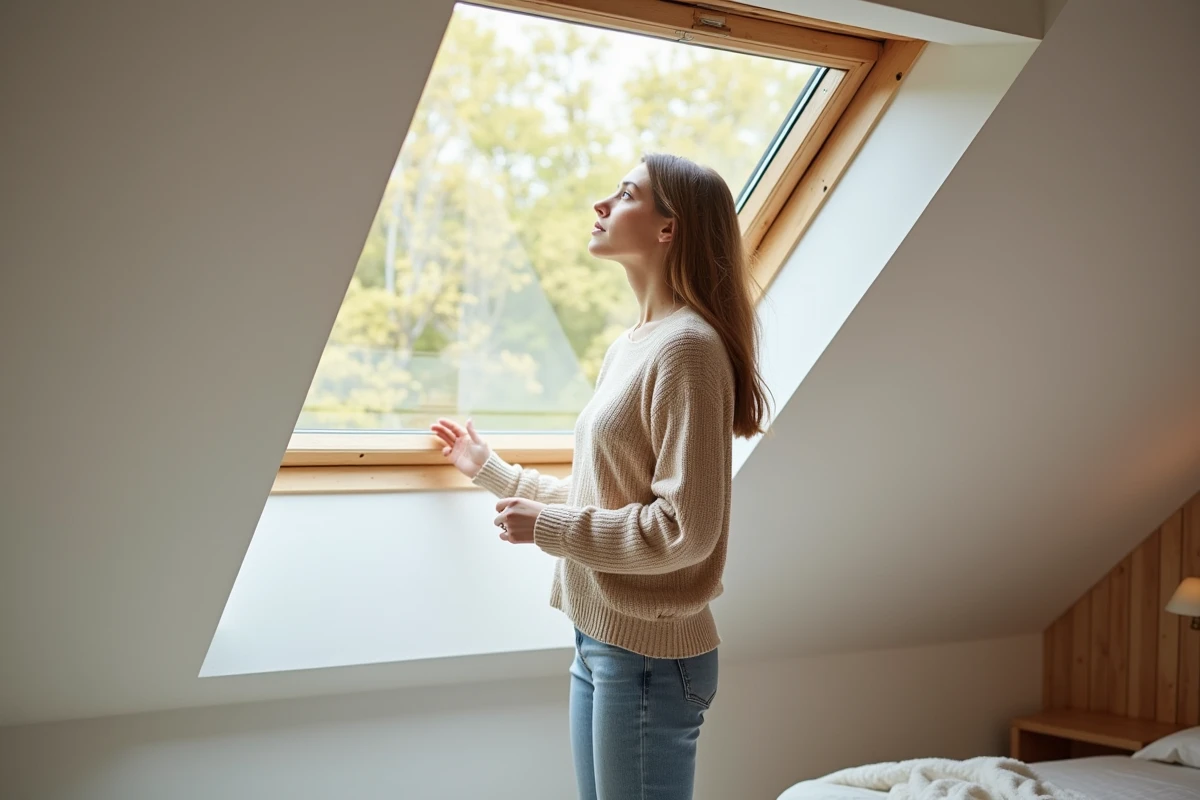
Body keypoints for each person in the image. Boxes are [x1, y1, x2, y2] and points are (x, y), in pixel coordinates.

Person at [431, 153, 769, 800]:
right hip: (600, 640)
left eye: (626, 194)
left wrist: (550, 529)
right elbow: (604, 499)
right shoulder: (632, 344)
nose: (602, 205)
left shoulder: (689, 349)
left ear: (669, 228)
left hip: (649, 659)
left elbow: (684, 530)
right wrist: (491, 471)